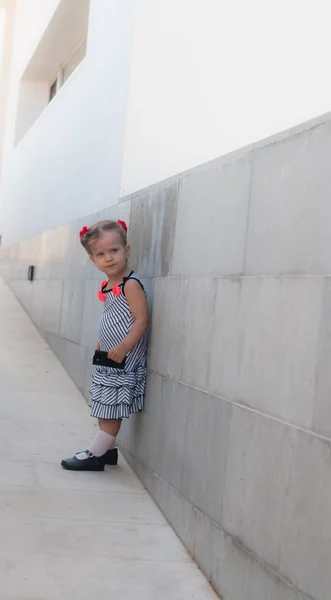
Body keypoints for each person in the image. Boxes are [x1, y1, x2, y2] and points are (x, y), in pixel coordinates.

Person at [61, 219, 148, 471]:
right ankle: (108, 451)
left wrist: (124, 347)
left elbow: (141, 321)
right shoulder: (108, 285)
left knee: (110, 408)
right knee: (102, 402)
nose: (108, 258)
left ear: (126, 250)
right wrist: (102, 343)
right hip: (107, 357)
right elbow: (111, 317)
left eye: (114, 250)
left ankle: (95, 454)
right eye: (101, 254)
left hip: (122, 358)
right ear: (92, 259)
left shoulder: (129, 284)